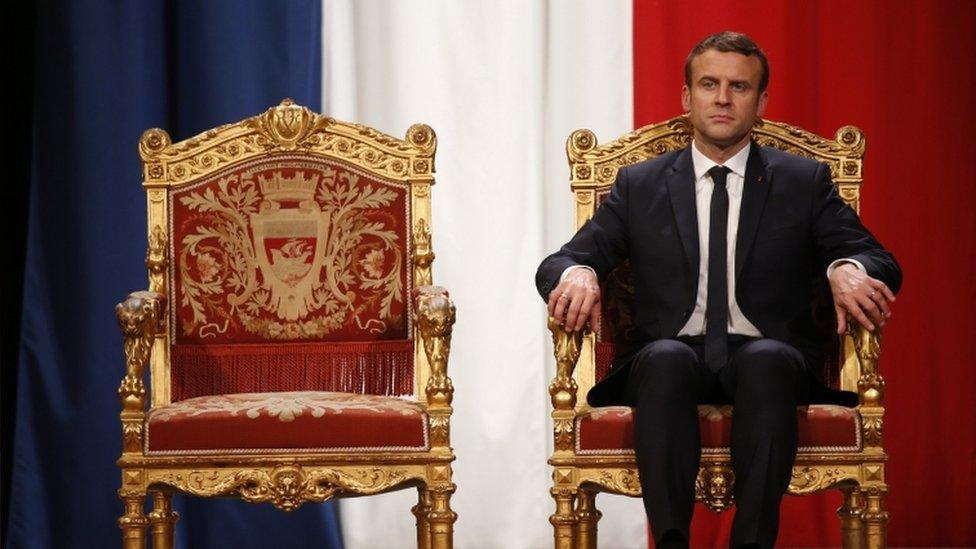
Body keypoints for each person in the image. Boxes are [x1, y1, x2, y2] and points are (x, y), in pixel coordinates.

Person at [535, 31, 902, 549]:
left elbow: (880, 260)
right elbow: (563, 259)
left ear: (761, 102)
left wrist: (847, 265)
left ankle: (752, 543)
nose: (723, 98)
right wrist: (578, 273)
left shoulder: (802, 181)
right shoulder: (640, 185)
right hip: (670, 359)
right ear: (688, 97)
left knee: (767, 359)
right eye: (709, 84)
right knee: (664, 358)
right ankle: (670, 541)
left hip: (769, 360)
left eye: (739, 86)